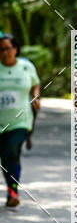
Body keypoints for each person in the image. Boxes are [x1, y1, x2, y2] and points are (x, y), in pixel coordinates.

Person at [0, 34, 41, 207]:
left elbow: (35, 84)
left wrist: (36, 97)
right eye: (1, 50)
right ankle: (12, 190)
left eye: (8, 48)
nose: (5, 53)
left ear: (15, 49)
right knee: (6, 157)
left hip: (21, 121)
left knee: (12, 151)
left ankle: (13, 192)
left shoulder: (26, 67)